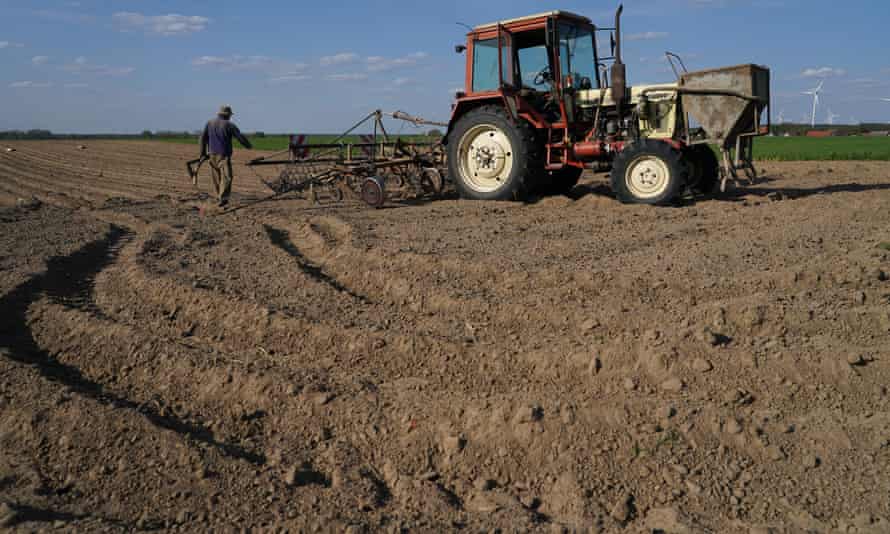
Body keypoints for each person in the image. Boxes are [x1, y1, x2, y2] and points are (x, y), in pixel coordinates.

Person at [199, 105, 253, 207]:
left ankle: (219, 196)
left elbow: (202, 139)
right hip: (223, 156)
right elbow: (240, 137)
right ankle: (222, 199)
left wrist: (202, 154)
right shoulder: (229, 125)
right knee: (227, 177)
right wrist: (248, 146)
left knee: (217, 177)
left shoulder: (210, 123)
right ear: (227, 115)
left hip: (212, 155)